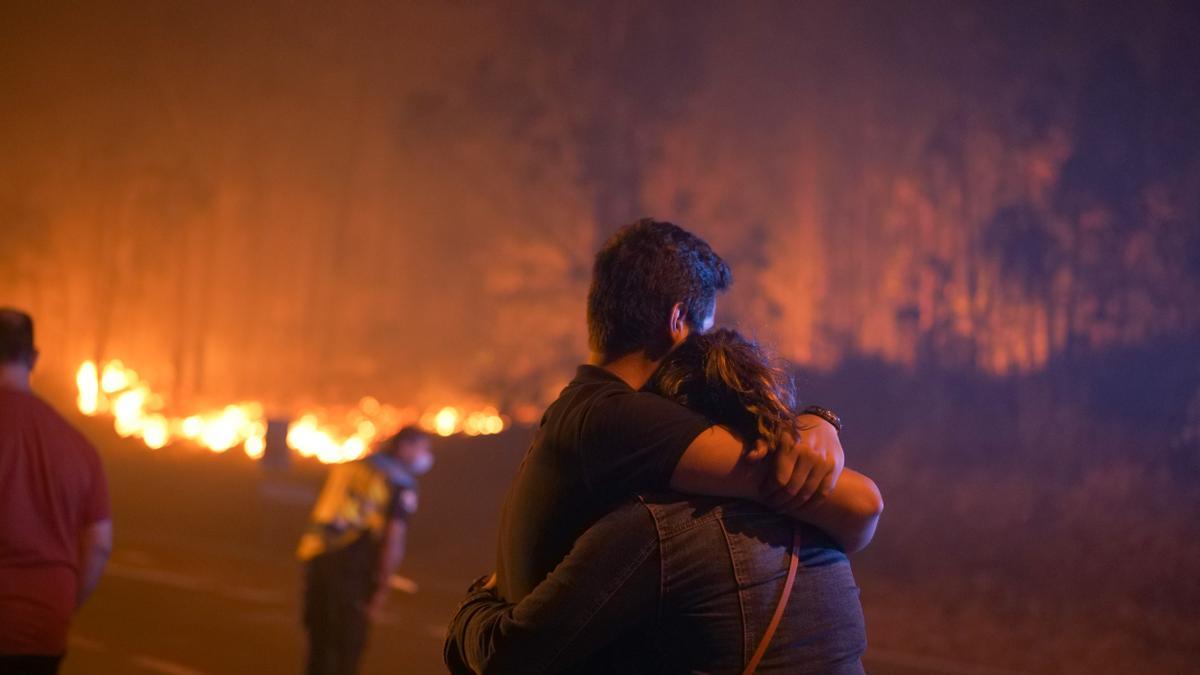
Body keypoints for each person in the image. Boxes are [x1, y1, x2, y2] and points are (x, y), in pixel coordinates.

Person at [446, 329, 881, 673]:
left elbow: (514, 656)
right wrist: (819, 420)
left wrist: (477, 602)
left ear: (674, 416)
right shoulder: (818, 514)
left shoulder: (658, 530)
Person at [0, 308, 112, 675]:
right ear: (33, 358)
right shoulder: (78, 444)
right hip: (45, 625)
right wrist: (64, 604)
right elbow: (99, 543)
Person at [297, 425, 433, 675]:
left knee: (319, 642)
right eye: (423, 449)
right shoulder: (399, 482)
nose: (426, 456)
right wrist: (382, 585)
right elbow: (393, 537)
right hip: (354, 563)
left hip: (317, 554)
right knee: (347, 647)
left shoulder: (352, 466)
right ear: (404, 447)